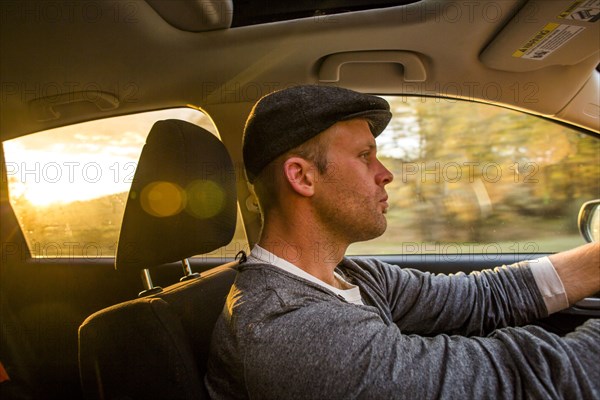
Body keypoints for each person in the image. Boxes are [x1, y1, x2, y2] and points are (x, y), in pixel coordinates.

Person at [205, 85, 600, 399]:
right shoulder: (289, 327)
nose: (386, 174)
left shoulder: (349, 275)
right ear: (303, 177)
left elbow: (482, 297)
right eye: (365, 156)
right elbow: (520, 383)